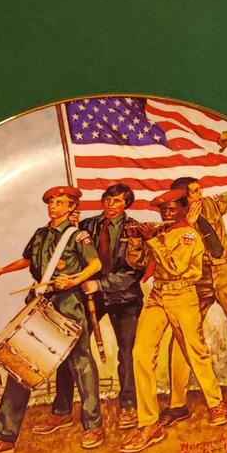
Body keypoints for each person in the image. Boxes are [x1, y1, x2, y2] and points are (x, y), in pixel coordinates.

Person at [0, 186, 103, 453]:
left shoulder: (78, 235)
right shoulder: (40, 234)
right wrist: (0, 271)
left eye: (60, 202)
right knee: (22, 362)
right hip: (40, 302)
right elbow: (28, 260)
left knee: (81, 363)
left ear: (72, 207)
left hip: (68, 305)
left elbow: (95, 265)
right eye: (51, 202)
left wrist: (74, 280)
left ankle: (93, 426)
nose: (53, 206)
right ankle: (3, 437)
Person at [120, 189, 227, 453]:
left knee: (195, 351)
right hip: (158, 295)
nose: (166, 214)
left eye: (171, 209)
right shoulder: (160, 233)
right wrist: (135, 241)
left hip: (182, 295)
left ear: (183, 210)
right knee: (140, 353)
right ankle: (149, 424)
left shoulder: (188, 235)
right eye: (163, 210)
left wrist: (152, 240)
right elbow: (138, 263)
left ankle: (216, 403)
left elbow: (176, 267)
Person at [162, 132, 227, 421]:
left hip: (226, 270)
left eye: (198, 190)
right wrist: (188, 224)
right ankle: (177, 402)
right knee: (183, 335)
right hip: (195, 279)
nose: (199, 194)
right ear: (182, 199)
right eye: (194, 192)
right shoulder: (173, 220)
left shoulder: (213, 204)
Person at [77, 183, 146, 430]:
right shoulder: (85, 226)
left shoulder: (135, 229)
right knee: (74, 346)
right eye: (107, 198)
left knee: (127, 353)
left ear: (126, 204)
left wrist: (100, 284)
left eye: (117, 200)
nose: (110, 204)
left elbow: (135, 271)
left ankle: (128, 406)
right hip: (90, 298)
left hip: (125, 298)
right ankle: (63, 408)